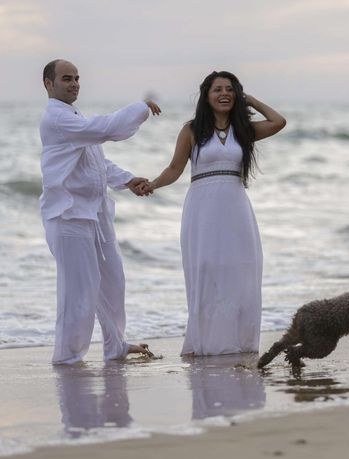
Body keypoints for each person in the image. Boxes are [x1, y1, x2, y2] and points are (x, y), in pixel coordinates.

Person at [143, 70, 286, 356]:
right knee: (206, 270)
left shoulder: (243, 131)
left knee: (241, 271)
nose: (224, 94)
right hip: (202, 208)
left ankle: (240, 342)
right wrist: (153, 184)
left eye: (230, 89)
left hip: (236, 208)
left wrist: (251, 100)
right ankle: (207, 342)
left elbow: (278, 122)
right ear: (206, 96)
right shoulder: (192, 130)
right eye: (217, 89)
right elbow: (174, 169)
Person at [40, 59, 161, 364]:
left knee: (113, 283)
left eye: (77, 78)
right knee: (78, 295)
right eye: (67, 78)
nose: (75, 83)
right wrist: (141, 107)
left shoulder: (76, 118)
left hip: (95, 215)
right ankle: (67, 359)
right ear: (48, 84)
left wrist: (127, 179)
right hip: (68, 217)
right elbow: (107, 128)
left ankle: (115, 345)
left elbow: (97, 162)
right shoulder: (57, 120)